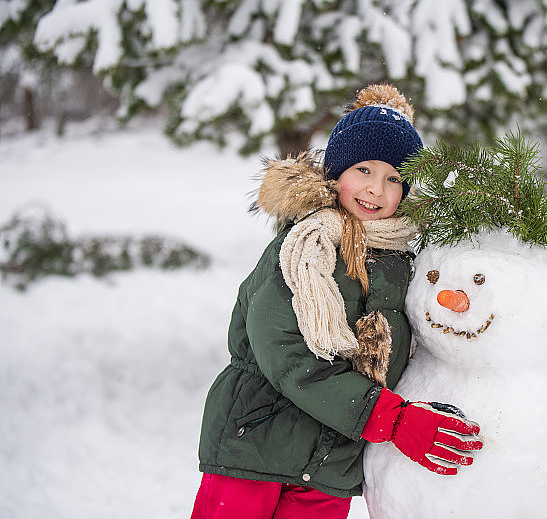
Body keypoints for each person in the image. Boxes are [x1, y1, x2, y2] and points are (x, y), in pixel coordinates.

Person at [190, 84, 482, 519]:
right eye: (363, 169)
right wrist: (391, 419)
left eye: (393, 178)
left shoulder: (404, 261)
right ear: (336, 172)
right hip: (255, 446)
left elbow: (442, 324)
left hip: (332, 464)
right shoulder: (303, 246)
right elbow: (285, 354)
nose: (376, 190)